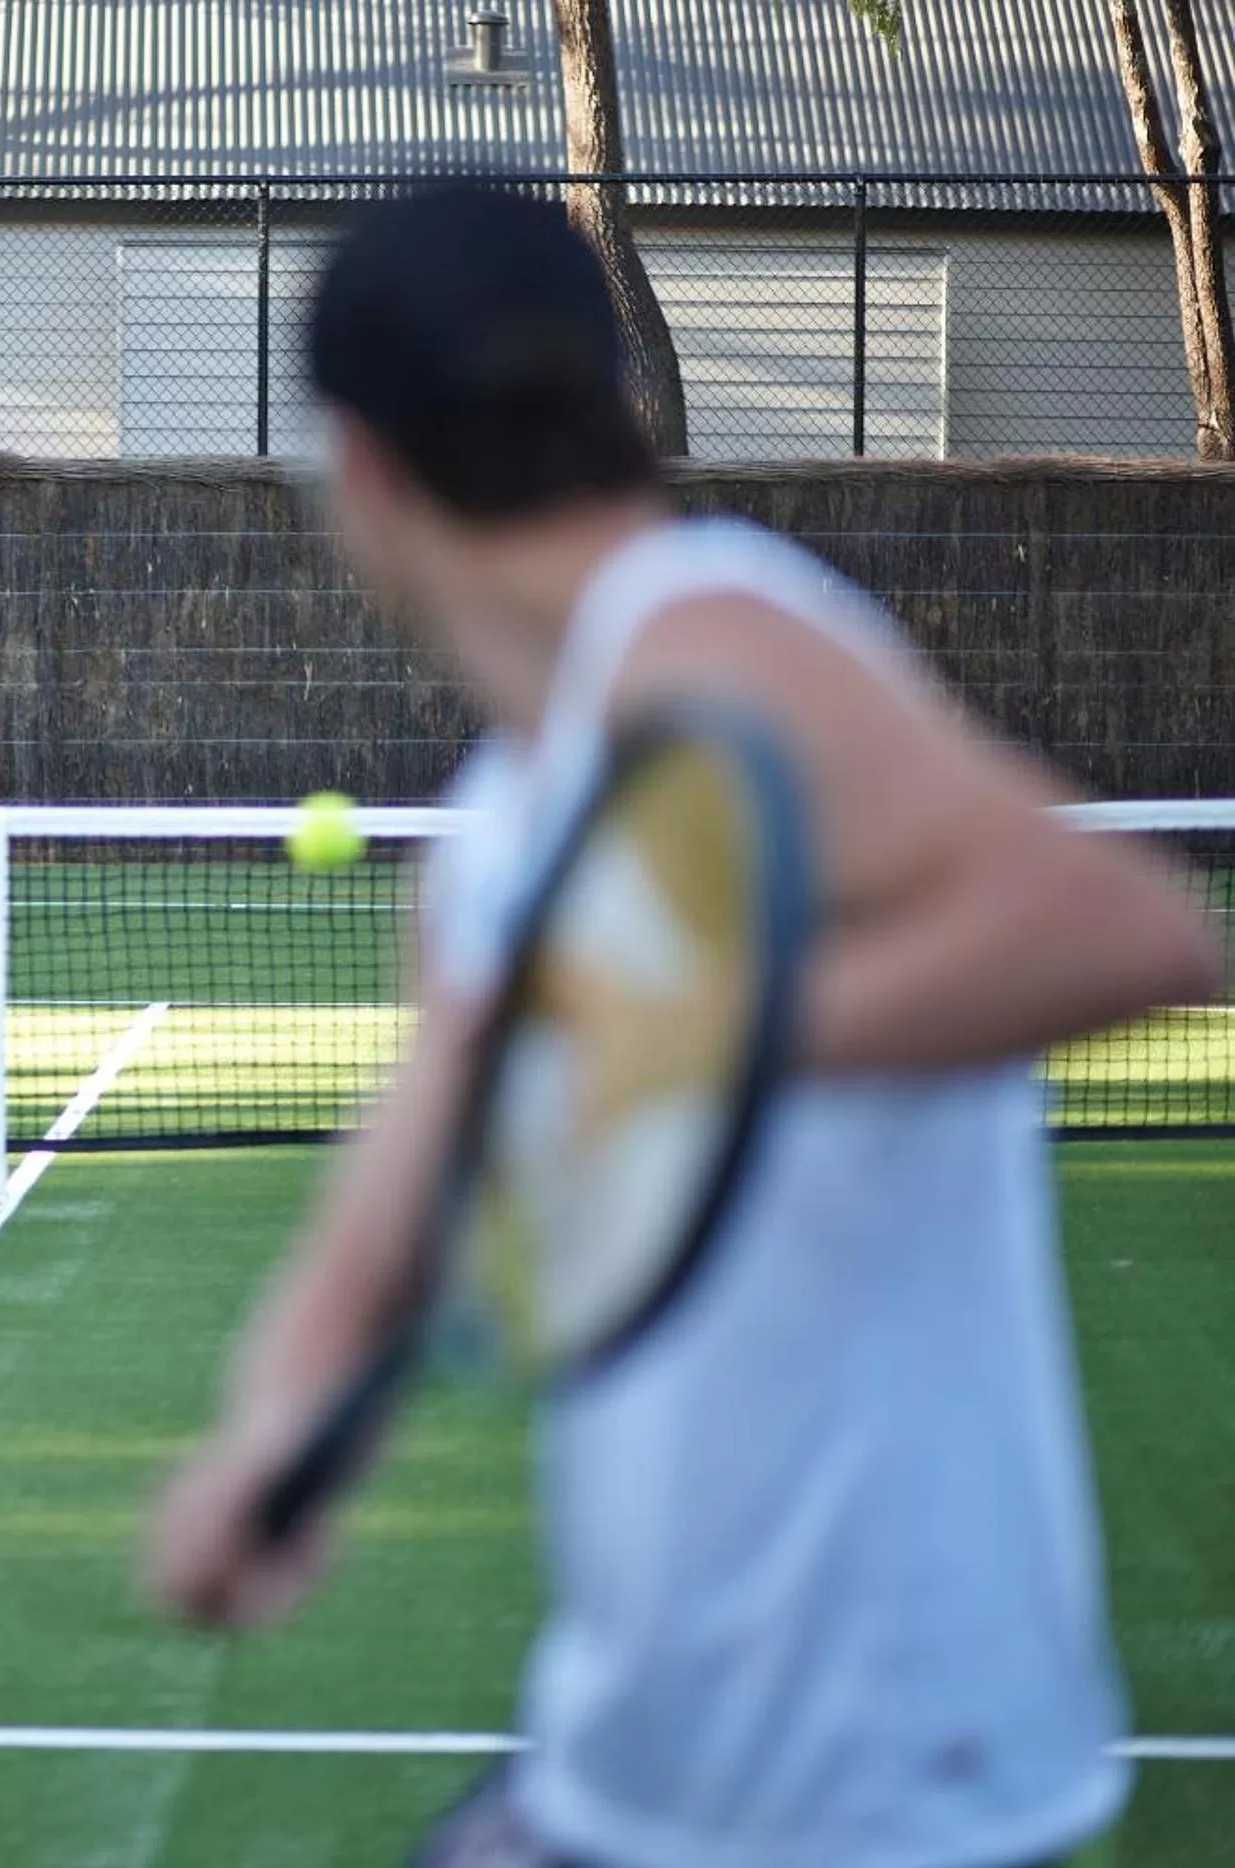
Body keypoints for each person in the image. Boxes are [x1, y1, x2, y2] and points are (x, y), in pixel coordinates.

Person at [148, 186, 1220, 1868]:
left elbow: (1124, 929)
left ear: (358, 468)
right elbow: (407, 1182)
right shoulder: (506, 818)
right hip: (641, 1754)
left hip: (882, 1774)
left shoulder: (706, 632)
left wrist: (685, 1035)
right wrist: (269, 1435)